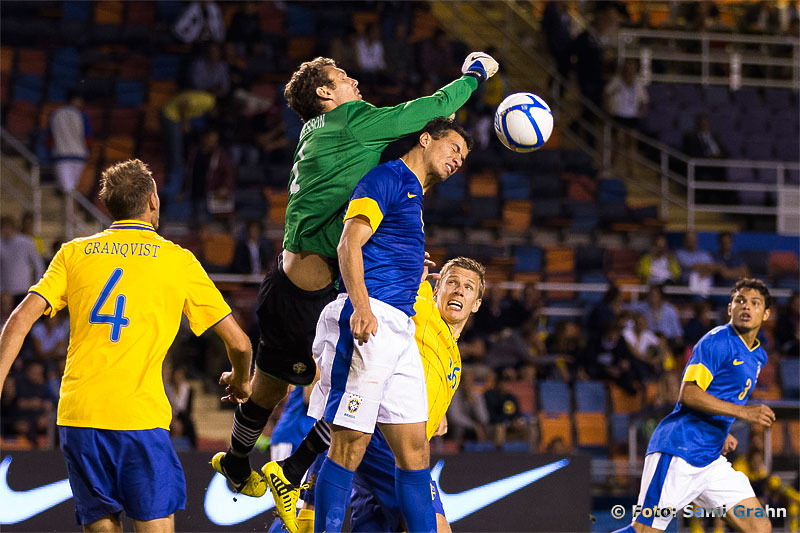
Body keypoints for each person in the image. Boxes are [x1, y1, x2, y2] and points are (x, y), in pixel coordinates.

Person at [211, 52, 498, 501]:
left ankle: (234, 458)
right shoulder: (351, 122)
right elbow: (425, 111)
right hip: (314, 293)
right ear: (326, 94)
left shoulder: (313, 133)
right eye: (343, 78)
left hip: (286, 282)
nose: (355, 81)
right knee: (360, 389)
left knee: (271, 386)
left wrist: (398, 258)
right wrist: (473, 77)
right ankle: (292, 474)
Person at [0, 159, 253, 531]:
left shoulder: (73, 253)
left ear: (106, 206)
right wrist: (242, 379)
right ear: (153, 201)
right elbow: (241, 344)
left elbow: (19, 320)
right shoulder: (178, 261)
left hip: (79, 416)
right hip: (139, 419)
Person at [306, 118, 472, 532]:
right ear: (425, 138)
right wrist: (362, 306)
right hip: (371, 319)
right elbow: (349, 242)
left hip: (400, 329)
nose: (457, 161)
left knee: (416, 454)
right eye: (453, 149)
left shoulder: (414, 198)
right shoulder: (388, 177)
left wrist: (410, 267)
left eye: (464, 159)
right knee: (350, 446)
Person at [269, 256, 485, 532]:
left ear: (476, 304)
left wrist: (437, 416)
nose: (458, 290)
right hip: (387, 442)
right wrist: (408, 271)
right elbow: (374, 280)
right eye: (452, 282)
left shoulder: (455, 358)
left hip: (388, 449)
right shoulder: (418, 308)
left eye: (468, 287)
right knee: (435, 526)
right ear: (436, 288)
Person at [613, 278, 776, 533]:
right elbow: (688, 394)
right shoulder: (717, 341)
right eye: (740, 301)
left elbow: (721, 393)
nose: (746, 306)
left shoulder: (758, 354)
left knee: (759, 526)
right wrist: (743, 412)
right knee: (645, 530)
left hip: (710, 458)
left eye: (755, 303)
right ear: (729, 309)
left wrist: (722, 429)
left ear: (766, 313)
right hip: (679, 449)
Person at [47, 91, 92, 194]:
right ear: (74, 100)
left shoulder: (55, 114)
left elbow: (49, 138)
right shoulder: (81, 115)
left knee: (69, 190)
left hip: (62, 156)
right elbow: (88, 137)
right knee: (72, 190)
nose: (81, 103)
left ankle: (70, 208)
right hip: (78, 156)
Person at [0, 215, 45, 307]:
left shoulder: (26, 242)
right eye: (3, 228)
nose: (6, 231)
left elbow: (38, 264)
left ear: (13, 227)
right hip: (5, 290)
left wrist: (37, 285)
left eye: (8, 228)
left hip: (23, 288)